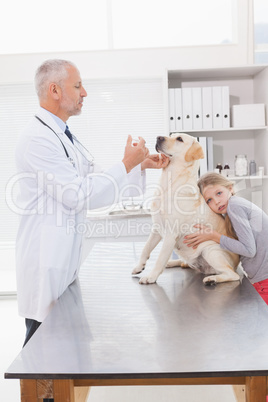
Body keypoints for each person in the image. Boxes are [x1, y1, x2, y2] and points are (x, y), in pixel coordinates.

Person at [15, 59, 169, 346]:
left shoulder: (62, 136)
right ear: (55, 90)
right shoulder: (37, 139)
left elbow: (91, 181)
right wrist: (126, 163)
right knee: (41, 357)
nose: (84, 92)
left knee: (65, 353)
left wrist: (138, 166)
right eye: (77, 85)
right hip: (46, 262)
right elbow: (77, 195)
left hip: (64, 261)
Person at [184, 172, 268, 305]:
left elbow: (249, 250)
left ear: (230, 188)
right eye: (209, 200)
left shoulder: (235, 206)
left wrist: (214, 236)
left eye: (219, 193)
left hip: (265, 279)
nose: (216, 201)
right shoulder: (232, 210)